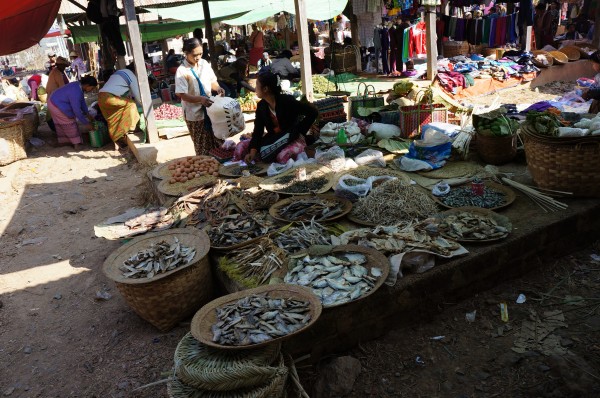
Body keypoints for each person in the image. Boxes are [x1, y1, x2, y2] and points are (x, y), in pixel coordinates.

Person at [240, 72, 317, 164]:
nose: (255, 89)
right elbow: (258, 131)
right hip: (275, 139)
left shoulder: (287, 101)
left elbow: (312, 112)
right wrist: (252, 152)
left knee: (282, 157)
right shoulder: (261, 106)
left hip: (292, 138)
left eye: (257, 85)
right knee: (241, 148)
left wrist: (300, 131)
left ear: (265, 89)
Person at [175, 38, 226, 155]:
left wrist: (218, 89)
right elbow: (182, 95)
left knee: (218, 140)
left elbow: (213, 82)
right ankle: (206, 168)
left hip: (210, 109)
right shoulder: (182, 71)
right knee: (202, 146)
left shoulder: (204, 64)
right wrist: (200, 99)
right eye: (194, 55)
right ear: (186, 53)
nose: (198, 57)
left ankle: (221, 163)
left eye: (200, 54)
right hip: (195, 114)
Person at [97, 64, 141, 150]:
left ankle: (117, 140)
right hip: (109, 97)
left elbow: (120, 90)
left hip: (101, 97)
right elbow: (138, 97)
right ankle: (131, 128)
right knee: (131, 104)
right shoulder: (131, 75)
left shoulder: (119, 72)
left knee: (113, 118)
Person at [47, 76, 97, 149]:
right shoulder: (76, 91)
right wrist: (86, 123)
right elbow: (77, 111)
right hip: (55, 104)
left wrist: (87, 113)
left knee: (65, 122)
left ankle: (66, 141)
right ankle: (76, 144)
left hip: (55, 100)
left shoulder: (79, 86)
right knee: (69, 121)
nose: (91, 90)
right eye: (92, 88)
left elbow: (82, 101)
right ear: (87, 85)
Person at [100, 0, 126, 69]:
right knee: (108, 8)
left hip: (110, 21)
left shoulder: (116, 49)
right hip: (110, 22)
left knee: (107, 8)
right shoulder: (119, 49)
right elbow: (115, 35)